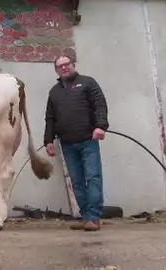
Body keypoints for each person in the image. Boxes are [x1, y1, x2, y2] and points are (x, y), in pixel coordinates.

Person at [43, 55, 109, 232]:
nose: (64, 68)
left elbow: (100, 104)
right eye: (60, 66)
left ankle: (93, 217)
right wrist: (48, 140)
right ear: (56, 70)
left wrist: (101, 126)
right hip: (67, 144)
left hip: (88, 140)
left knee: (93, 178)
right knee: (77, 182)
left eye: (67, 64)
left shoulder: (87, 82)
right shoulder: (54, 92)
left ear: (73, 65)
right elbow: (50, 118)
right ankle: (86, 217)